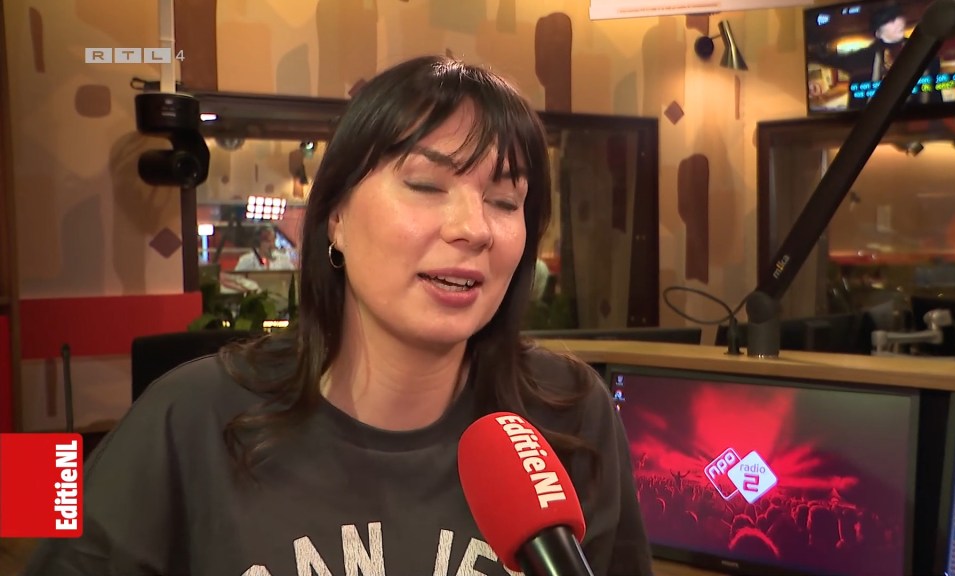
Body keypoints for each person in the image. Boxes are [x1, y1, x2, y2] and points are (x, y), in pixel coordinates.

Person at [24, 55, 653, 575]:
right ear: (336, 218)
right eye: (426, 185)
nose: (474, 228)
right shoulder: (185, 419)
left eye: (505, 200)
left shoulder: (572, 413)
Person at [808, 3, 942, 110]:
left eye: (899, 17)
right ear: (878, 32)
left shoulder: (923, 50)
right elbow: (828, 58)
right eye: (891, 20)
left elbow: (936, 89)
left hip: (921, 118)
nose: (899, 22)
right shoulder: (861, 58)